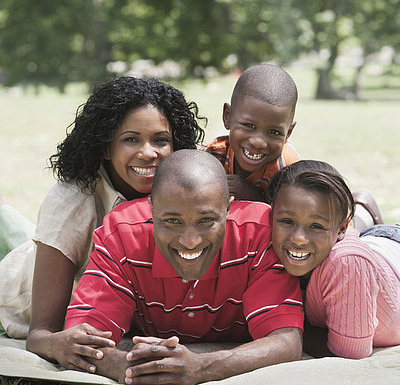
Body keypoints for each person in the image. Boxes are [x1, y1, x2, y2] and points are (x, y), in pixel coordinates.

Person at [0, 76, 205, 365]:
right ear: (106, 147)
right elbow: (40, 333)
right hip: (16, 297)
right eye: (131, 139)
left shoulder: (177, 191)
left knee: (19, 231)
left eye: (160, 140)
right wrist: (56, 345)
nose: (148, 153)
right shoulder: (72, 201)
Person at [63, 149, 304, 383]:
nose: (190, 241)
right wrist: (131, 367)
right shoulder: (122, 234)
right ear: (152, 208)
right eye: (172, 221)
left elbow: (286, 342)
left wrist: (202, 367)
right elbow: (82, 339)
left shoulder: (259, 233)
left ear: (228, 208)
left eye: (206, 220)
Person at [267, 160, 400, 359]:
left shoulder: (347, 264)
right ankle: (362, 210)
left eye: (316, 226)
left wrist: (294, 330)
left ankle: (362, 208)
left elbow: (350, 354)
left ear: (342, 228)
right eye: (287, 221)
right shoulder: (264, 240)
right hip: (372, 244)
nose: (298, 239)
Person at [205, 64, 300, 201]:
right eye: (249, 125)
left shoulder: (289, 169)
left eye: (274, 132)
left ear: (288, 133)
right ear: (228, 117)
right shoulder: (213, 155)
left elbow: (297, 214)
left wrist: (254, 196)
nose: (258, 142)